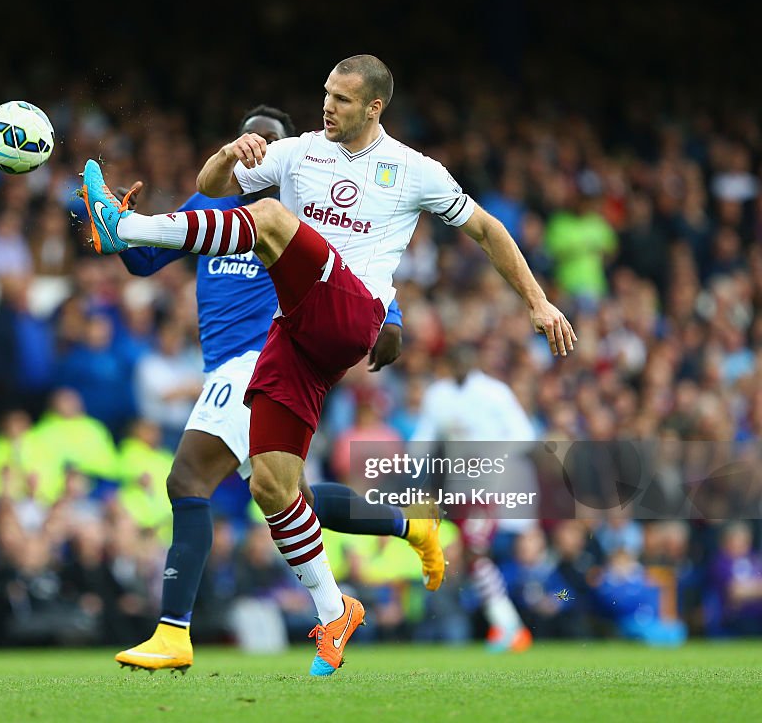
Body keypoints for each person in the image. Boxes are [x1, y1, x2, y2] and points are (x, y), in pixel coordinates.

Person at [83, 55, 575, 675]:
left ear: (374, 107)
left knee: (267, 221)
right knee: (274, 486)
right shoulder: (296, 154)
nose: (328, 106)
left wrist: (538, 302)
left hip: (348, 315)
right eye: (325, 94)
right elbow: (208, 188)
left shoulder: (415, 171)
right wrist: (230, 156)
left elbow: (486, 229)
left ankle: (120, 223)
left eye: (342, 99)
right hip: (294, 337)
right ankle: (332, 608)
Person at [109, 106, 435, 674]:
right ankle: (410, 524)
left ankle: (173, 632)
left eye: (271, 144)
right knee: (290, 498)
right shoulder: (207, 204)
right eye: (250, 140)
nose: (258, 151)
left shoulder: (299, 218)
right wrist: (123, 219)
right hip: (221, 369)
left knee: (188, 478)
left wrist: (394, 319)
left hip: (260, 360)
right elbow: (140, 261)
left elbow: (358, 276)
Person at [410, 343, 538, 652]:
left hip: (492, 487)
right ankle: (506, 625)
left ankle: (509, 627)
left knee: (477, 553)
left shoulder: (495, 393)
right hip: (458, 490)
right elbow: (423, 440)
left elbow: (524, 435)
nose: (460, 366)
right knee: (470, 556)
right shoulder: (438, 395)